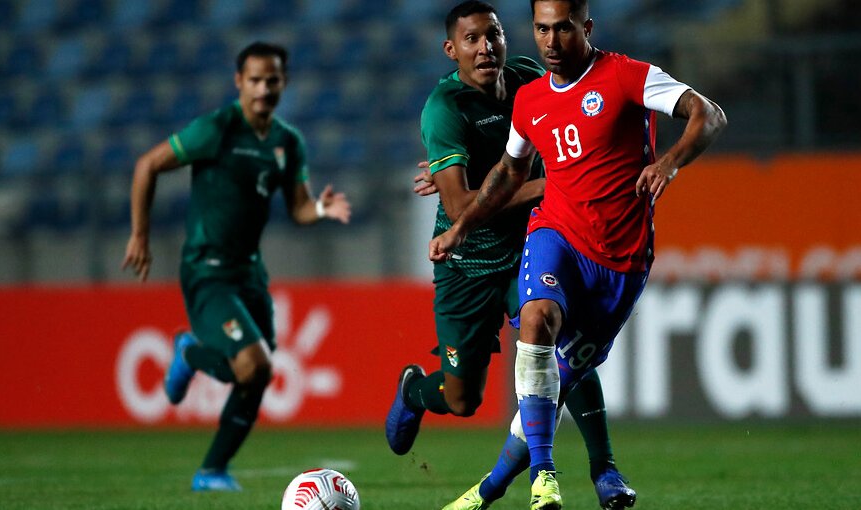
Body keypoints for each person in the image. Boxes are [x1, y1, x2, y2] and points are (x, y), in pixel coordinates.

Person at [432, 0, 727, 508]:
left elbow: (709, 114)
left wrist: (671, 161)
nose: (550, 40)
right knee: (536, 319)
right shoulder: (530, 99)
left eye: (562, 28)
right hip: (556, 234)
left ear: (585, 27)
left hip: (620, 259)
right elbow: (508, 173)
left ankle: (489, 488)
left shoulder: (626, 76)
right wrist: (463, 224)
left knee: (556, 385)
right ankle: (544, 476)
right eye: (542, 29)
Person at [385, 2, 636, 509]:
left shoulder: (527, 77)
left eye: (494, 35)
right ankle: (416, 392)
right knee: (463, 398)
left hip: (533, 243)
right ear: (451, 50)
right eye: (473, 40)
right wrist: (558, 183)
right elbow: (459, 206)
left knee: (566, 346)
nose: (487, 48)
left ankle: (603, 470)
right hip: (468, 264)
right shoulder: (444, 108)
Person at [121, 41, 351, 492]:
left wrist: (320, 210)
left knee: (258, 375)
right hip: (207, 268)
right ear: (239, 83)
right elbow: (147, 165)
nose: (264, 88)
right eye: (256, 80)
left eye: (273, 80)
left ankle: (211, 471)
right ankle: (189, 351)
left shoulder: (288, 142)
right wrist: (140, 234)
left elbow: (300, 209)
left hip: (249, 273)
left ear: (283, 82)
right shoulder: (218, 129)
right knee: (254, 366)